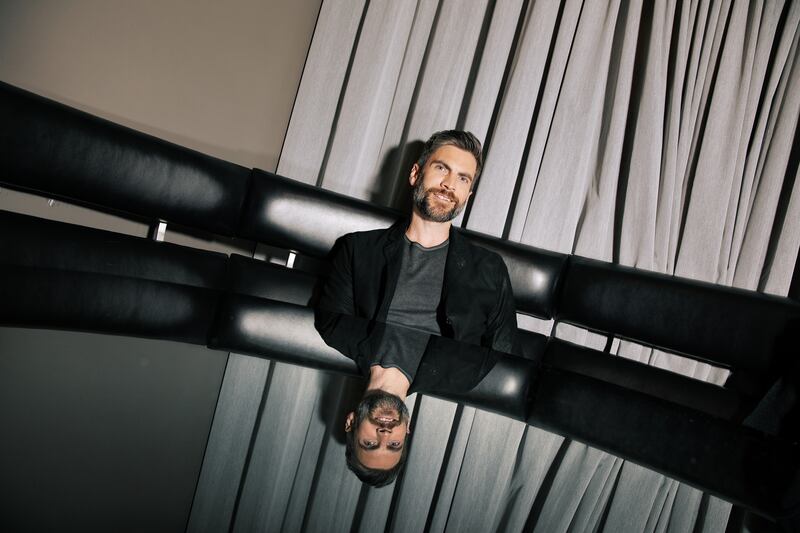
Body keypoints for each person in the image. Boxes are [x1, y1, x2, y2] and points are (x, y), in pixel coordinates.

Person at [315, 130, 518, 487]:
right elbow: (502, 345)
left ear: (351, 422)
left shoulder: (342, 306)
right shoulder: (464, 371)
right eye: (393, 445)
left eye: (463, 178)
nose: (384, 434)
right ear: (415, 174)